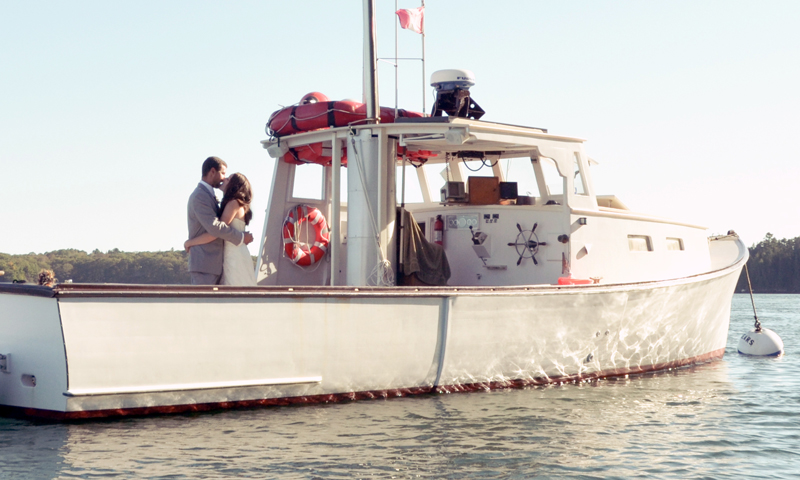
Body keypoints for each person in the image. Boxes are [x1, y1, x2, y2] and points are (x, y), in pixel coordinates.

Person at [187, 157, 254, 285]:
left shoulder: (224, 201)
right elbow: (215, 228)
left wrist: (190, 242)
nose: (224, 178)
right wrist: (240, 237)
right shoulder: (200, 195)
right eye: (223, 173)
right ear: (213, 171)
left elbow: (216, 228)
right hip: (205, 263)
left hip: (218, 262)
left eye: (227, 177)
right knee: (206, 302)